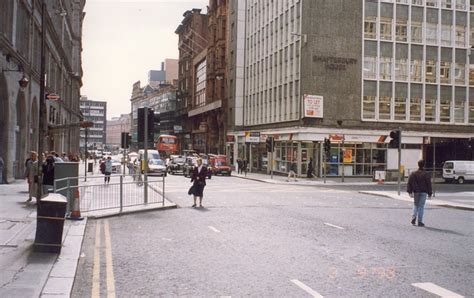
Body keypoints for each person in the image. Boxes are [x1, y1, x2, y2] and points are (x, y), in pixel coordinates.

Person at [407, 159, 432, 227]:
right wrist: (430, 193)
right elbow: (429, 184)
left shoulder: (413, 173)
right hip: (424, 192)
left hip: (416, 191)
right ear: (424, 165)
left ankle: (413, 218)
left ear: (418, 165)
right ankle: (420, 221)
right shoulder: (426, 174)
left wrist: (410, 191)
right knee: (421, 206)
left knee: (416, 205)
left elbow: (409, 182)